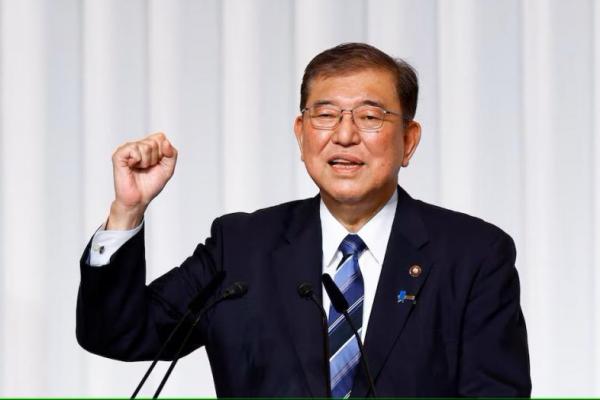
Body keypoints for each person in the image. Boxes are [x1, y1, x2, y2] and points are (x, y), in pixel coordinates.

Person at [77, 42, 531, 397]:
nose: (346, 135)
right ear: (301, 134)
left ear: (408, 141)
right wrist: (127, 210)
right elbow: (117, 334)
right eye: (326, 115)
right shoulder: (241, 247)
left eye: (370, 116)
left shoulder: (473, 255)